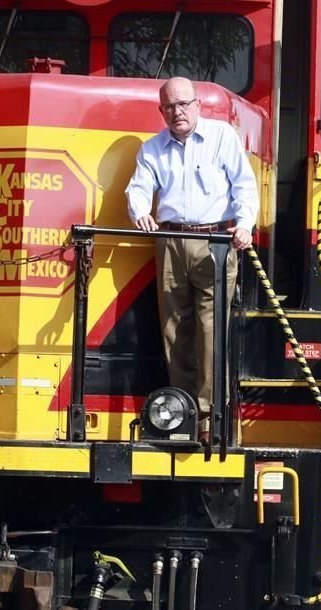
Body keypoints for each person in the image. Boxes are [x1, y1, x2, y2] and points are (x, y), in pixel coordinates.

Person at [125, 77, 259, 437]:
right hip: (169, 239)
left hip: (216, 240)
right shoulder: (152, 149)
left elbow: (244, 186)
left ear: (198, 105)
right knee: (174, 329)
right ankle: (179, 414)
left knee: (210, 330)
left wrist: (245, 225)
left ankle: (210, 420)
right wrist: (140, 211)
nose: (177, 112)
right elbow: (139, 187)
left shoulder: (222, 137)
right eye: (169, 106)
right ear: (161, 111)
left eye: (183, 104)